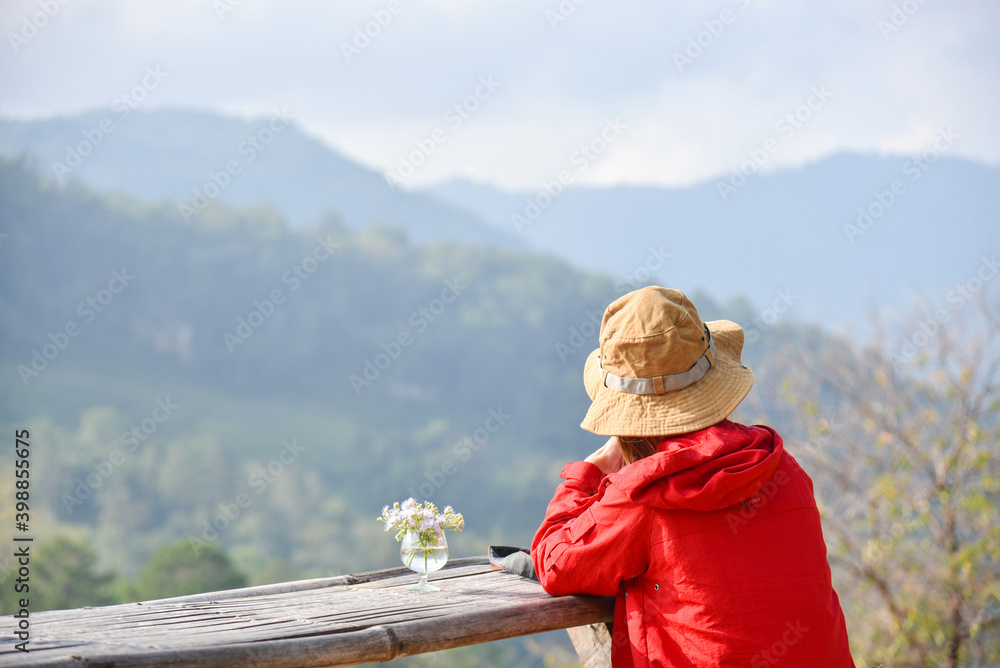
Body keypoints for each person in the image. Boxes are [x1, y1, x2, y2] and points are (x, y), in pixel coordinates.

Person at [531, 287, 853, 667]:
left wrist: (589, 472)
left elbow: (554, 562)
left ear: (626, 419)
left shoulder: (644, 495)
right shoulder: (783, 467)